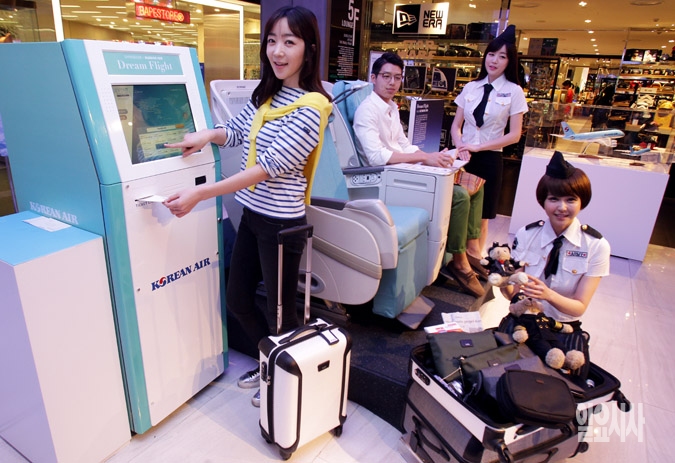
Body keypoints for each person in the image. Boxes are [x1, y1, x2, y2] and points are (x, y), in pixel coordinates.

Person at [163, 6, 332, 407]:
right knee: (238, 300)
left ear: (309, 48)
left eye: (289, 41)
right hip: (254, 216)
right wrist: (208, 135)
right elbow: (238, 131)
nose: (277, 51)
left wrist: (201, 194)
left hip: (281, 226)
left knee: (281, 314)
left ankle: (286, 384)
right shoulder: (269, 95)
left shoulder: (312, 108)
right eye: (271, 41)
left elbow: (266, 168)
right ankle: (269, 361)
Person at [352, 52, 486, 298]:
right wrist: (424, 159)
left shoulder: (391, 108)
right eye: (386, 76)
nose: (392, 83)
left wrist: (432, 157)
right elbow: (377, 156)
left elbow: (404, 145)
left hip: (401, 169)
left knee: (475, 184)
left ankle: (470, 251)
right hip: (385, 177)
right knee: (458, 196)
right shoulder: (367, 110)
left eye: (397, 77)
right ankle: (459, 262)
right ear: (373, 77)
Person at [504, 151, 610, 322]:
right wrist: (502, 282)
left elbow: (580, 307)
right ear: (543, 201)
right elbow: (514, 295)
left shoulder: (596, 245)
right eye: (553, 199)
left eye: (571, 200)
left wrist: (548, 295)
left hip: (562, 327)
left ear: (582, 202)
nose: (562, 207)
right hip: (524, 320)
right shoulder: (526, 234)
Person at [451, 25, 528, 256]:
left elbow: (514, 135)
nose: (494, 60)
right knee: (457, 211)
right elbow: (456, 126)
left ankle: (475, 259)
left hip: (490, 160)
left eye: (502, 56)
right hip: (463, 158)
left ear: (509, 61)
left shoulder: (514, 91)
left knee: (481, 218)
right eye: (491, 54)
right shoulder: (471, 87)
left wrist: (478, 147)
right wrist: (461, 146)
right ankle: (454, 260)